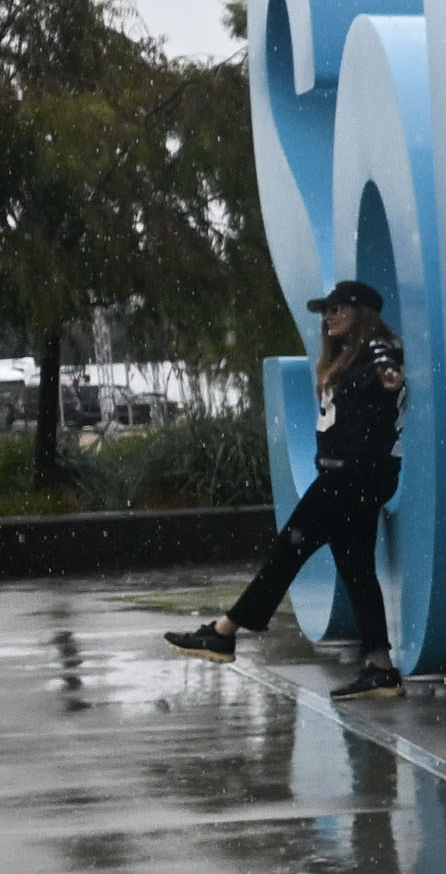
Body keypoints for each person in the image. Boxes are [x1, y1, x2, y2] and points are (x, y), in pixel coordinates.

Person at [169, 278, 410, 695]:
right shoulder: (343, 357)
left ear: (362, 314)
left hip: (350, 478)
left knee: (287, 552)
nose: (329, 317)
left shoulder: (374, 350)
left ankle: (224, 632)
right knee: (356, 569)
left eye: (338, 309)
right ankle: (380, 667)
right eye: (325, 311)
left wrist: (388, 377)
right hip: (358, 478)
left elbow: (387, 367)